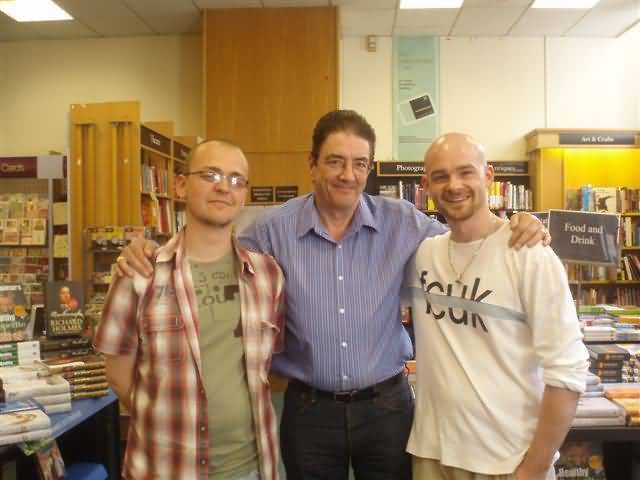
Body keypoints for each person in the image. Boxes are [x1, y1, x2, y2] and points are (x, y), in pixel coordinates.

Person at [116, 110, 548, 480]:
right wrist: (149, 249)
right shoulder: (272, 230)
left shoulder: (403, 223)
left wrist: (517, 223)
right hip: (308, 412)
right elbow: (211, 251)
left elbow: (470, 238)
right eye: (336, 162)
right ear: (313, 164)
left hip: (388, 409)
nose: (348, 174)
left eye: (360, 164)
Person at [94, 140, 285, 480]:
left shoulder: (267, 275)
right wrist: (164, 415)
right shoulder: (140, 273)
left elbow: (263, 367)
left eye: (236, 179)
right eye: (210, 174)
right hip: (165, 469)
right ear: (181, 185)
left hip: (250, 468)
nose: (224, 187)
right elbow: (118, 374)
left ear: (244, 197)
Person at [405, 133, 589, 480]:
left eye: (466, 172)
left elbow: (568, 372)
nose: (454, 185)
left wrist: (533, 469)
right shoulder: (422, 255)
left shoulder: (530, 254)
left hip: (508, 462)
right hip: (432, 454)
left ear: (489, 176)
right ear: (426, 185)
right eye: (441, 176)